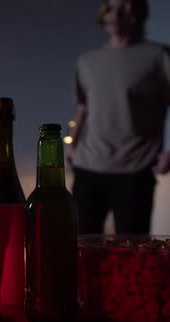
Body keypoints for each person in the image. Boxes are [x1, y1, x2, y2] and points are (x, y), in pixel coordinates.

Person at [70, 0, 170, 235]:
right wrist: (71, 145)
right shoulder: (87, 61)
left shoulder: (158, 56)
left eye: (124, 7)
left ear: (138, 13)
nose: (115, 14)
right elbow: (83, 108)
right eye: (110, 7)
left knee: (132, 253)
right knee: (80, 246)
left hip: (134, 168)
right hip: (88, 167)